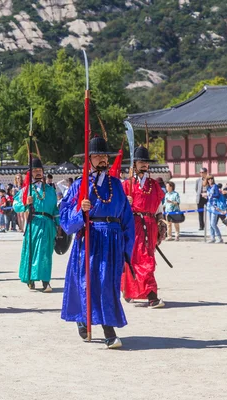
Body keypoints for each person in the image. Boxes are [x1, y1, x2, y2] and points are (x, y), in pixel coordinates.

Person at [59, 137, 135, 349]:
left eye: (105, 156)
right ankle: (102, 327)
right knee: (90, 283)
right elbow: (65, 217)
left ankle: (101, 323)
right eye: (98, 156)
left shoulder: (117, 186)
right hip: (90, 239)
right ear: (89, 159)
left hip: (113, 239)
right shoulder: (79, 186)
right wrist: (80, 210)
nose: (102, 159)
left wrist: (127, 248)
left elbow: (127, 219)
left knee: (108, 285)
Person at [121, 146, 166, 308]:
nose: (144, 165)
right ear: (134, 164)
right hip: (133, 226)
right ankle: (147, 294)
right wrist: (126, 203)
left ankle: (143, 293)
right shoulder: (127, 185)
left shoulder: (154, 185)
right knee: (134, 260)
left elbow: (159, 207)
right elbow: (118, 208)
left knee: (147, 260)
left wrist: (161, 222)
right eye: (140, 162)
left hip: (150, 226)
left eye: (146, 163)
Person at [14, 158, 59, 292]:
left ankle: (46, 281)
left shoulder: (50, 190)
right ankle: (31, 279)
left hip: (49, 223)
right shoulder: (26, 190)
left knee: (46, 253)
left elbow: (55, 209)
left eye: (40, 170)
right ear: (31, 173)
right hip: (34, 223)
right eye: (35, 171)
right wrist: (26, 203)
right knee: (32, 251)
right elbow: (16, 206)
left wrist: (59, 225)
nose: (38, 173)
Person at [204, 175, 224, 243]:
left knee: (213, 223)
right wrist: (205, 197)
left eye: (211, 179)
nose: (210, 180)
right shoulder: (208, 187)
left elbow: (217, 195)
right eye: (209, 179)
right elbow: (208, 197)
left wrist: (209, 195)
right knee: (210, 223)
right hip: (209, 205)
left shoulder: (215, 186)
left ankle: (219, 237)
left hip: (215, 206)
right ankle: (212, 237)